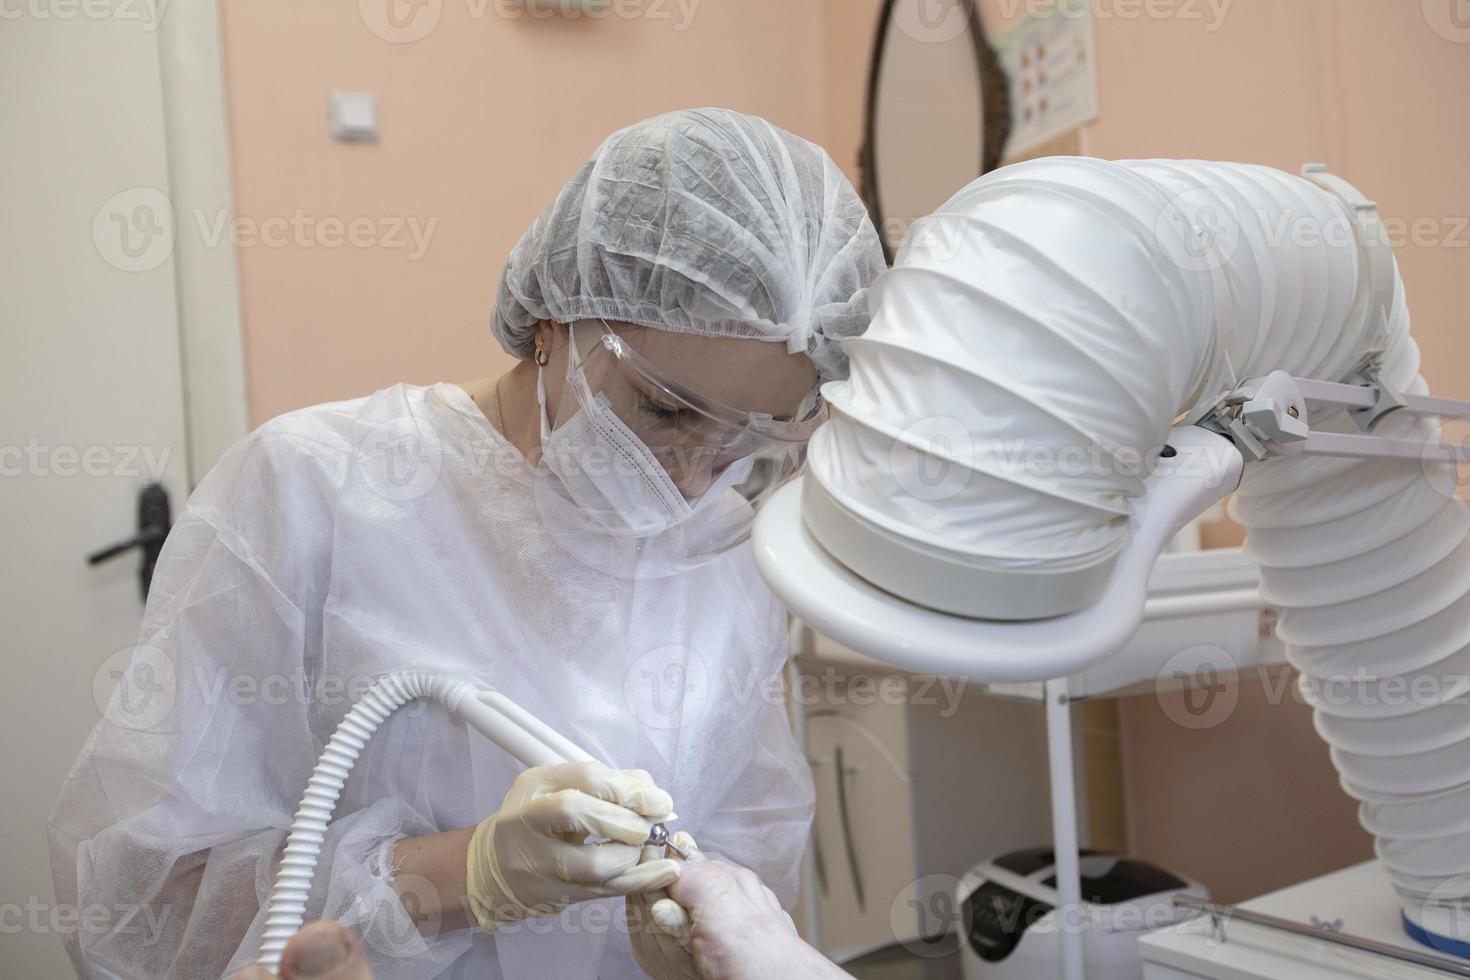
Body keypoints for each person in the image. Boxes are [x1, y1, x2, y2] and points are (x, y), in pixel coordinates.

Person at [51, 107, 885, 979]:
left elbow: (753, 851)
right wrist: (465, 876)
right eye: (666, 410)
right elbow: (137, 901)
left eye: (747, 441)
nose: (691, 478)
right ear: (551, 320)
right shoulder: (315, 489)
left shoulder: (730, 555)